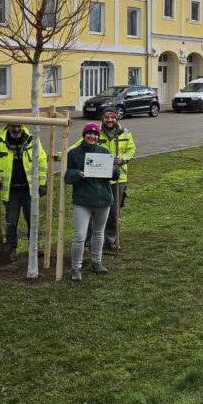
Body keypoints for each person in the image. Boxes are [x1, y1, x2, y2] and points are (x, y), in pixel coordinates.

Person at [65, 122, 120, 282]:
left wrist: (114, 170)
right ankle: (76, 268)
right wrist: (76, 173)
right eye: (89, 133)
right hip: (82, 201)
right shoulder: (74, 154)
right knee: (79, 236)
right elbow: (67, 176)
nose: (93, 136)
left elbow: (115, 176)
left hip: (103, 199)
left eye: (96, 134)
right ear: (84, 135)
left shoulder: (104, 152)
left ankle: (97, 262)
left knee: (98, 232)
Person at [0, 123, 47, 258]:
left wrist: (42, 183)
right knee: (11, 221)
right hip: (10, 191)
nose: (17, 129)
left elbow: (42, 160)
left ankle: (34, 247)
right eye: (14, 126)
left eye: (19, 126)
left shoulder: (32, 140)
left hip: (29, 189)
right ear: (8, 126)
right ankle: (11, 247)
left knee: (33, 219)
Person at [85, 108, 135, 251]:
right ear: (102, 119)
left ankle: (110, 240)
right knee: (93, 209)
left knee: (114, 212)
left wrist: (123, 158)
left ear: (116, 118)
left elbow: (131, 150)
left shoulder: (125, 133)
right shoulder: (94, 132)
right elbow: (78, 147)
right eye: (107, 117)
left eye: (112, 117)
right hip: (98, 177)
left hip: (118, 178)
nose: (110, 120)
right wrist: (62, 154)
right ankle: (89, 241)